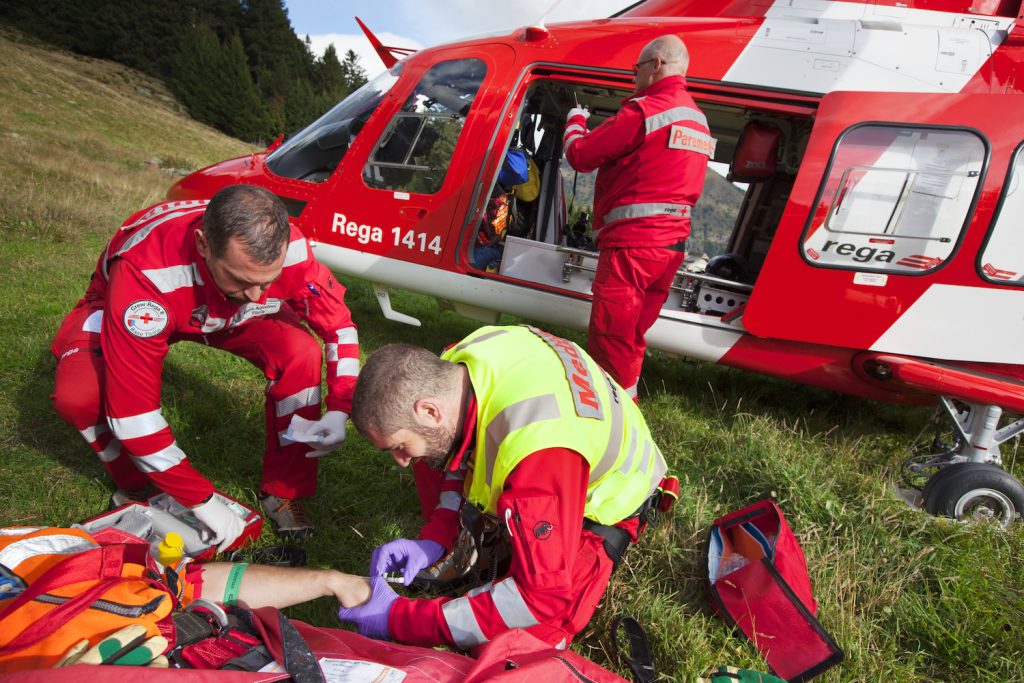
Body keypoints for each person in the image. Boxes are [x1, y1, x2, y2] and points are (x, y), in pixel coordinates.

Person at [50, 185, 360, 544]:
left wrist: (339, 409)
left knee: (301, 352)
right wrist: (200, 499)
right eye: (244, 280)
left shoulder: (287, 250)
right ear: (203, 245)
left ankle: (283, 490)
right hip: (151, 301)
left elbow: (339, 326)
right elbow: (132, 414)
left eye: (269, 282)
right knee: (79, 396)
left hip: (223, 309)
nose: (260, 296)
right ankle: (137, 485)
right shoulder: (147, 273)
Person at [337, 325, 677, 650]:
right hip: (557, 450)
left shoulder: (538, 453)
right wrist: (436, 538)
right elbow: (460, 447)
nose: (399, 461)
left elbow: (541, 599)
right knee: (429, 450)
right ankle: (461, 547)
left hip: (612, 497)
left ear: (429, 410)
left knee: (519, 643)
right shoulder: (457, 367)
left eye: (396, 445)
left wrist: (402, 619)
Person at [563, 35, 712, 399]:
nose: (634, 77)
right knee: (631, 336)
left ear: (657, 65)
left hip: (634, 246)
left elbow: (580, 155)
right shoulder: (698, 120)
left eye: (636, 69)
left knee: (611, 336)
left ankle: (611, 415)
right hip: (671, 248)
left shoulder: (647, 110)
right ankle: (625, 400)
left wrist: (575, 121)